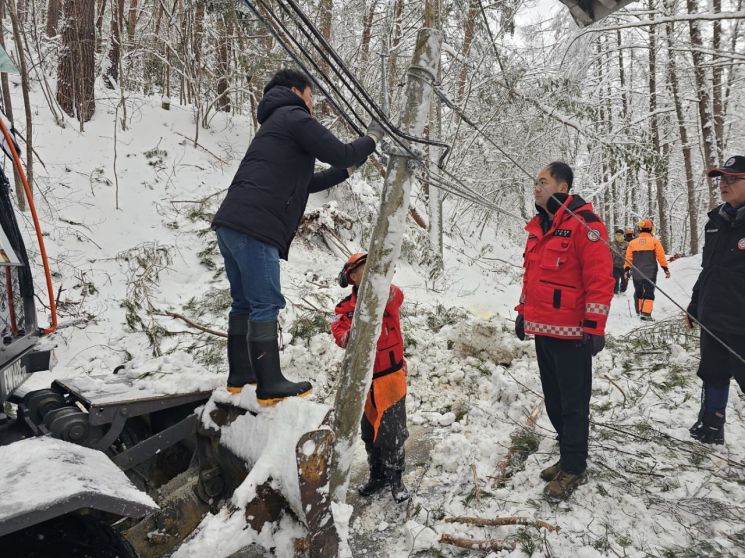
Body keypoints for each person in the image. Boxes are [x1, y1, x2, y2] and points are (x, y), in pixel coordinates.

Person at [212, 69, 383, 403]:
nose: (313, 101)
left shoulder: (275, 123)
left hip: (233, 223)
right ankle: (269, 384)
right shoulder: (294, 115)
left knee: (244, 302)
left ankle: (241, 376)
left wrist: (348, 170)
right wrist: (371, 140)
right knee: (266, 302)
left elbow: (306, 183)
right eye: (311, 93)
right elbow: (341, 151)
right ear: (295, 90)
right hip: (256, 226)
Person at [514, 162, 613, 502]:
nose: (536, 188)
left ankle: (574, 466)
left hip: (573, 335)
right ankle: (567, 455)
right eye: (535, 182)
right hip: (544, 332)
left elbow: (600, 278)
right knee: (555, 402)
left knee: (573, 404)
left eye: (543, 182)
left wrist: (595, 326)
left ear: (563, 186)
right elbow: (531, 276)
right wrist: (523, 312)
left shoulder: (585, 225)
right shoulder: (539, 228)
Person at [330, 253, 410, 503]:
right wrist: (349, 336)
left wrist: (382, 281)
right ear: (352, 275)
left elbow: (395, 297)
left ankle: (396, 478)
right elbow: (338, 330)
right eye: (364, 268)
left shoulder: (388, 295)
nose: (370, 271)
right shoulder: (346, 307)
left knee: (393, 431)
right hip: (364, 379)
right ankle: (377, 475)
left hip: (391, 376)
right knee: (369, 432)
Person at [686, 155, 745, 445]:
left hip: (742, 324)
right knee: (713, 373)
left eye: (733, 179)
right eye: (722, 179)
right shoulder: (715, 222)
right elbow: (708, 269)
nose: (725, 184)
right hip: (713, 318)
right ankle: (711, 424)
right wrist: (695, 304)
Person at [623, 219, 670, 321]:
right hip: (650, 273)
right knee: (649, 292)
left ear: (640, 229)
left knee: (639, 292)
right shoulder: (655, 241)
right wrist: (665, 268)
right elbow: (661, 257)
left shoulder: (633, 243)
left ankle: (640, 311)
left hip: (636, 273)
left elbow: (628, 258)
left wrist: (626, 270)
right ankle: (646, 314)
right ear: (651, 229)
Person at [610, 228, 628, 294]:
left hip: (624, 266)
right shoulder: (611, 244)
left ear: (623, 235)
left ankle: (622, 291)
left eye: (620, 235)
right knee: (615, 280)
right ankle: (615, 291)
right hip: (614, 265)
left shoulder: (627, 244)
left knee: (625, 280)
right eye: (617, 235)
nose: (618, 236)